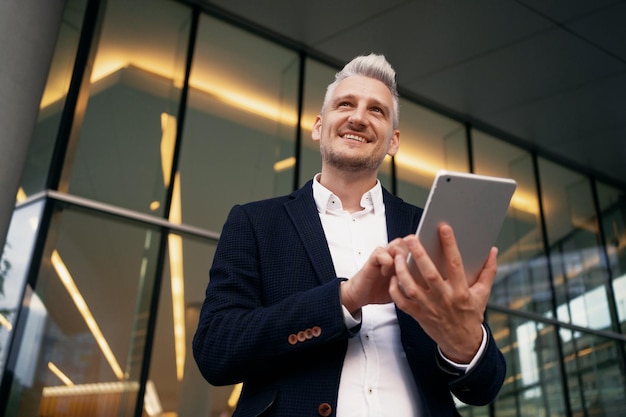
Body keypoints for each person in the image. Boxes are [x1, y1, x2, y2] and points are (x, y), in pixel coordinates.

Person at [193, 53, 506, 417]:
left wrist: (467, 344)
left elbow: (484, 387)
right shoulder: (256, 222)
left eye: (377, 110)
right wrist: (344, 298)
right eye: (346, 104)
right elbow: (216, 351)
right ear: (318, 125)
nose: (358, 117)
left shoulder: (430, 232)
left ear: (394, 141)